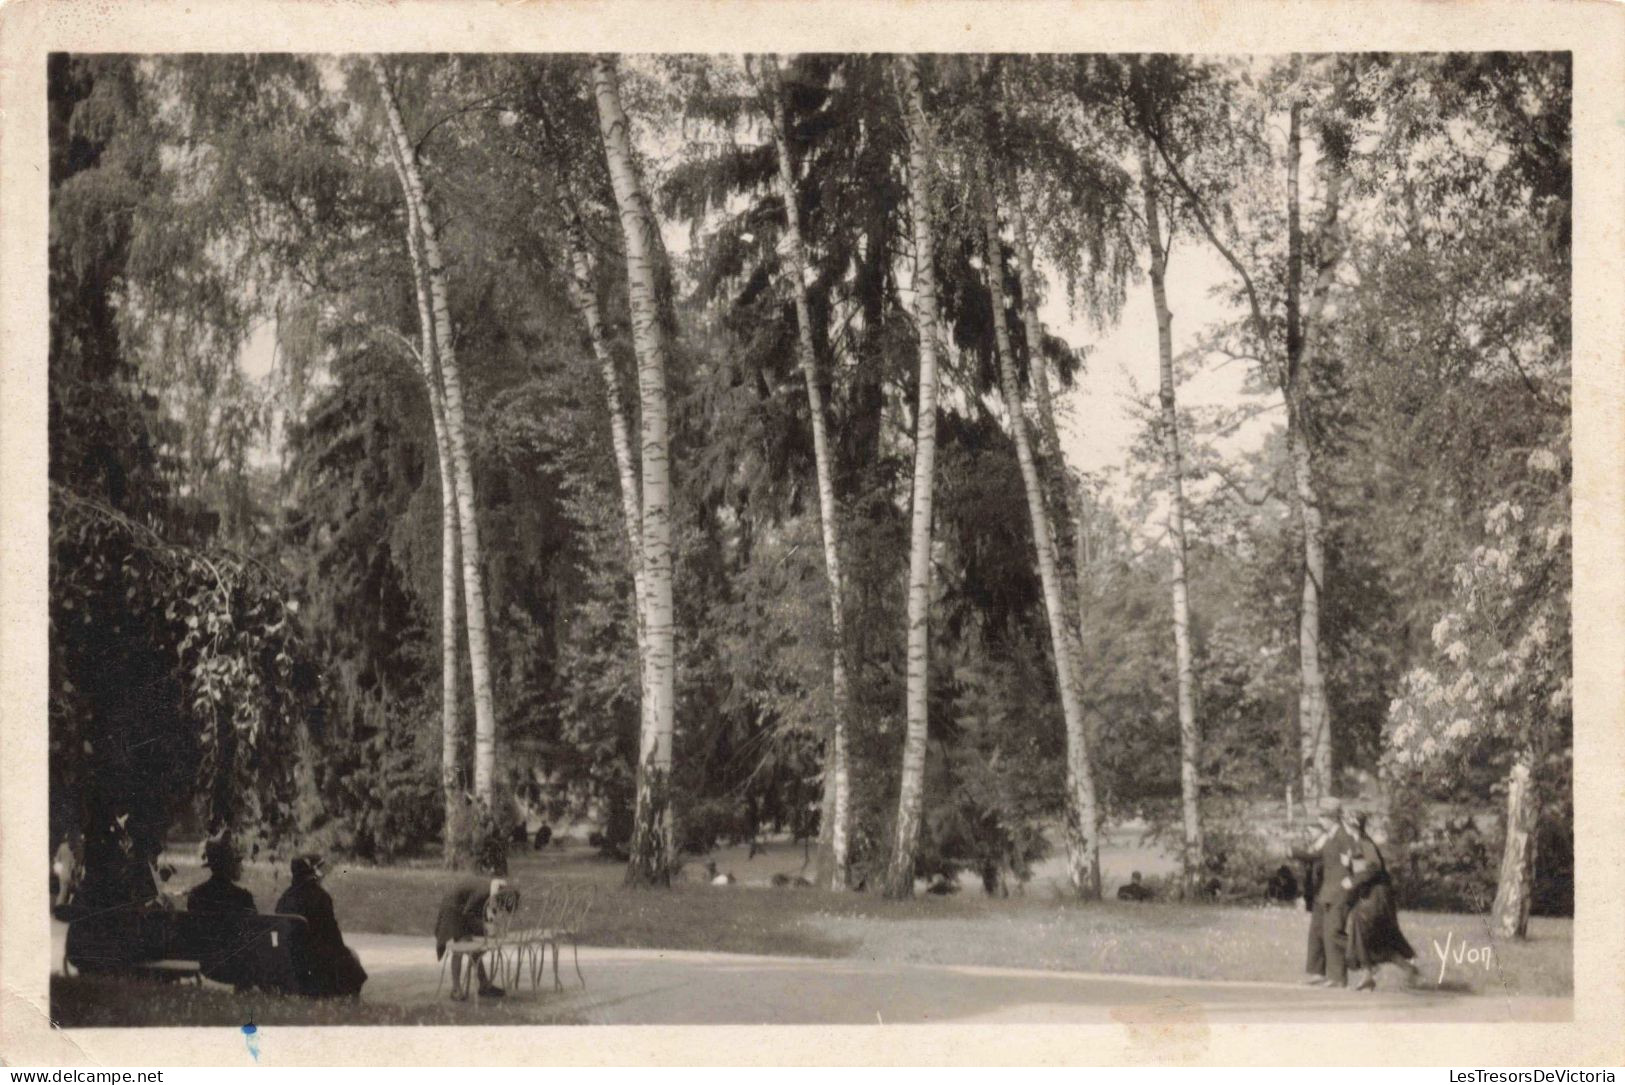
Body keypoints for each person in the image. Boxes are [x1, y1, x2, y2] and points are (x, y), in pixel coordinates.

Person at [1343, 811, 1420, 991]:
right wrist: (1349, 862)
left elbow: (1375, 867)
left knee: (1362, 927)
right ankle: (1403, 970)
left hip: (1377, 896)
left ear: (1351, 826)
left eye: (1347, 825)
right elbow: (1364, 865)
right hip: (1372, 894)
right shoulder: (1359, 843)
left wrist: (1353, 880)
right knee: (1374, 935)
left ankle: (1371, 972)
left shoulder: (1364, 843)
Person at [275, 854, 368, 999]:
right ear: (315, 873)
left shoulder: (284, 899)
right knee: (351, 958)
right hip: (317, 966)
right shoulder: (321, 897)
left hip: (291, 962)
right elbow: (334, 938)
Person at [434, 878, 519, 1000]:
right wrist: (484, 927)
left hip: (464, 909)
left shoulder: (496, 891)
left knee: (475, 947)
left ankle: (484, 984)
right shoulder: (483, 893)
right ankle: (456, 989)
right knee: (461, 945)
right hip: (453, 909)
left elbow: (482, 912)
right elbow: (468, 913)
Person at [187, 836, 257, 915]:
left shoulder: (196, 895)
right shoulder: (243, 898)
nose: (242, 868)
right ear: (229, 865)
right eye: (238, 862)